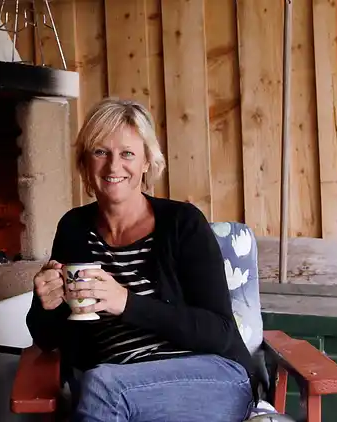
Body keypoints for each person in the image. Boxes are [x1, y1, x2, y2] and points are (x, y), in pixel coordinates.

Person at [27, 98, 255, 422]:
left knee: (103, 387)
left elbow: (218, 332)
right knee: (105, 387)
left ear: (147, 161)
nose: (113, 166)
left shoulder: (183, 223)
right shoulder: (74, 229)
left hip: (212, 378)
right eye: (100, 152)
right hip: (122, 390)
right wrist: (45, 303)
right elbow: (47, 338)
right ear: (85, 163)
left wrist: (126, 303)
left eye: (127, 153)